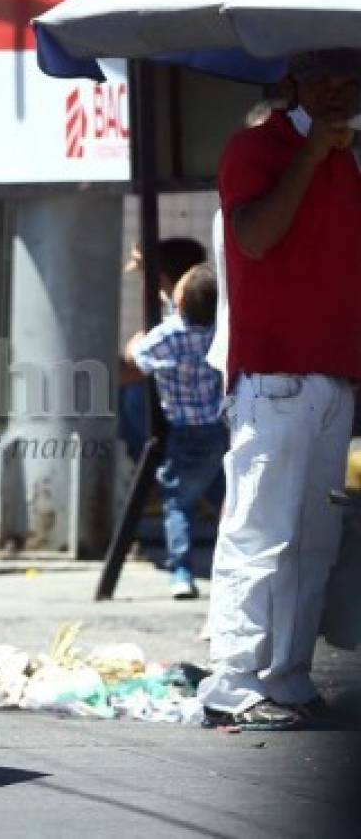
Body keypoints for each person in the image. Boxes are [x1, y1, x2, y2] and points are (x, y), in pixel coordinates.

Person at [198, 49, 361, 730]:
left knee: (311, 540)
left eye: (349, 78)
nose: (336, 91)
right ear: (291, 81)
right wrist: (309, 156)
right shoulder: (255, 147)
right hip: (274, 377)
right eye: (321, 76)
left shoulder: (352, 159)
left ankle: (286, 675)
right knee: (259, 532)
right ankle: (233, 680)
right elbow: (256, 237)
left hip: (332, 375)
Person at [128, 264, 228, 599]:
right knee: (219, 492)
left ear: (180, 301)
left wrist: (134, 341)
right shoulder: (218, 331)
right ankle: (231, 560)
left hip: (185, 432)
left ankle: (182, 572)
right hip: (218, 428)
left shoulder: (167, 336)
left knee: (178, 502)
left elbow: (138, 358)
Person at [119, 237, 208, 461]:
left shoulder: (186, 320)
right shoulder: (185, 305)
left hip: (191, 422)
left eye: (146, 277)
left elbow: (135, 361)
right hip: (201, 423)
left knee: (133, 394)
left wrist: (135, 344)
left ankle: (154, 466)